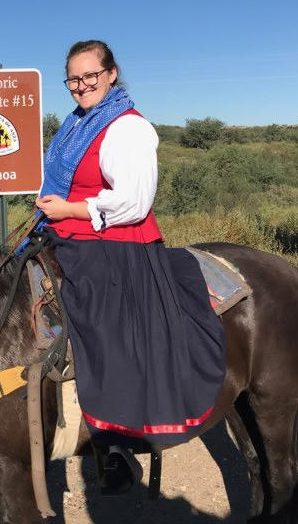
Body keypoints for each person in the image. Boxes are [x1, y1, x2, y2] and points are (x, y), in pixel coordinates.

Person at [35, 40, 225, 494]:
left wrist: (68, 211)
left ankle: (116, 439)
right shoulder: (77, 123)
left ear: (111, 74)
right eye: (74, 79)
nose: (81, 86)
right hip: (66, 230)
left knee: (102, 315)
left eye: (90, 76)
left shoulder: (129, 128)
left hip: (116, 243)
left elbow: (132, 203)